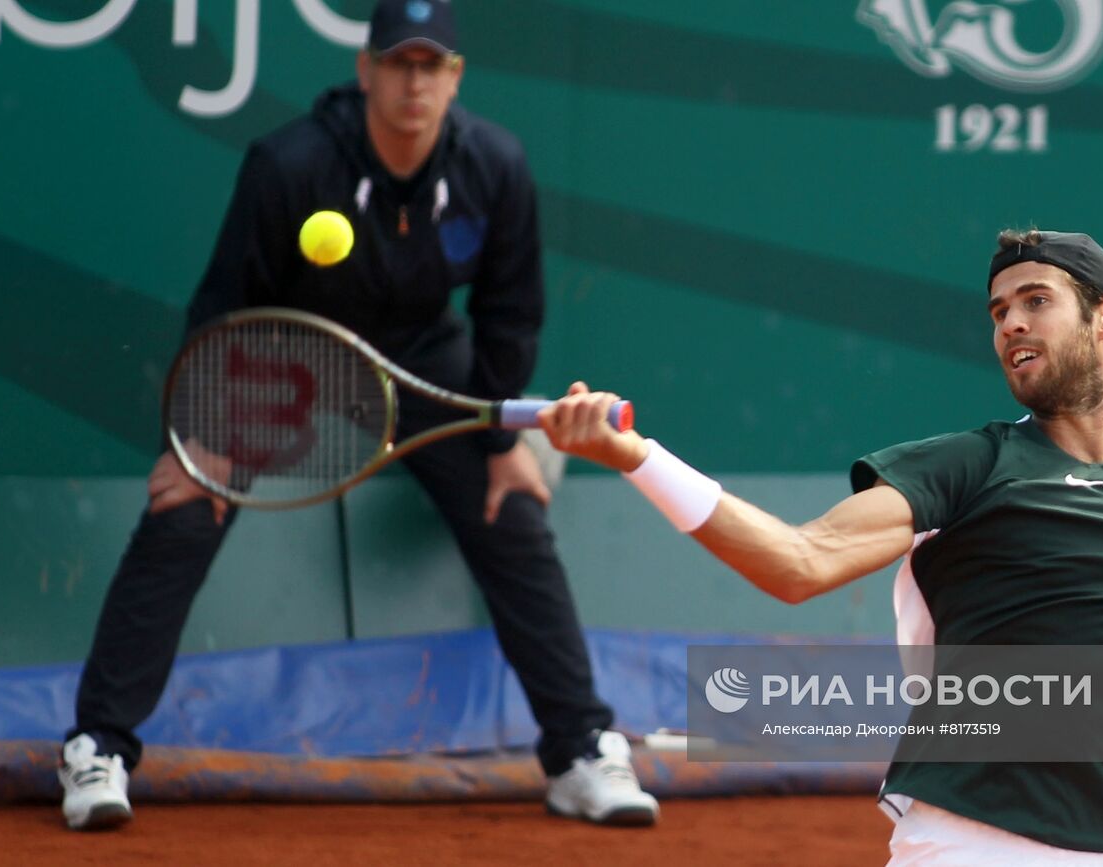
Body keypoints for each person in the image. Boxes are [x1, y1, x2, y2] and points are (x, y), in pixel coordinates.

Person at [57, 0, 657, 832]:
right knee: (186, 508)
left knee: (513, 510)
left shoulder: (496, 166)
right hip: (285, 356)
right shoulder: (289, 165)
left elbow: (508, 315)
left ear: (455, 79)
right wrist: (201, 442)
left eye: (431, 65)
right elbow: (226, 306)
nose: (415, 81)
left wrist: (500, 445)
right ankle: (99, 745)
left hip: (420, 357)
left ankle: (581, 750)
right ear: (366, 70)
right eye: (399, 63)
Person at [538, 229, 1103, 865]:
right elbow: (797, 563)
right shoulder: (967, 467)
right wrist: (640, 457)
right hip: (966, 843)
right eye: (999, 309)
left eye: (1036, 301)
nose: (1011, 323)